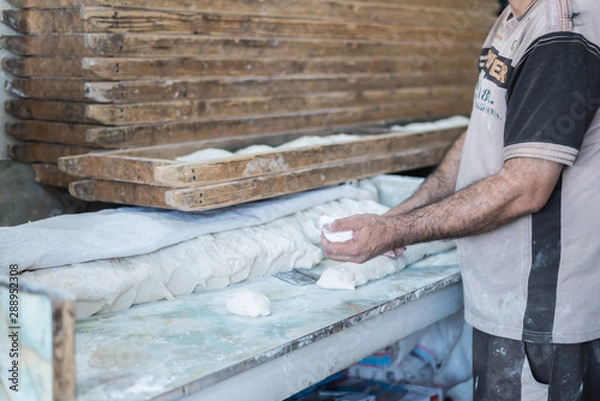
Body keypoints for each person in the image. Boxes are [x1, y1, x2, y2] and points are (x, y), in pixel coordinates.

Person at [320, 0, 600, 399]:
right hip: (509, 303)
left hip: (544, 313)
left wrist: (396, 230)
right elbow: (484, 132)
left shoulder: (563, 32)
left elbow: (526, 188)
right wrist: (399, 216)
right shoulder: (513, 16)